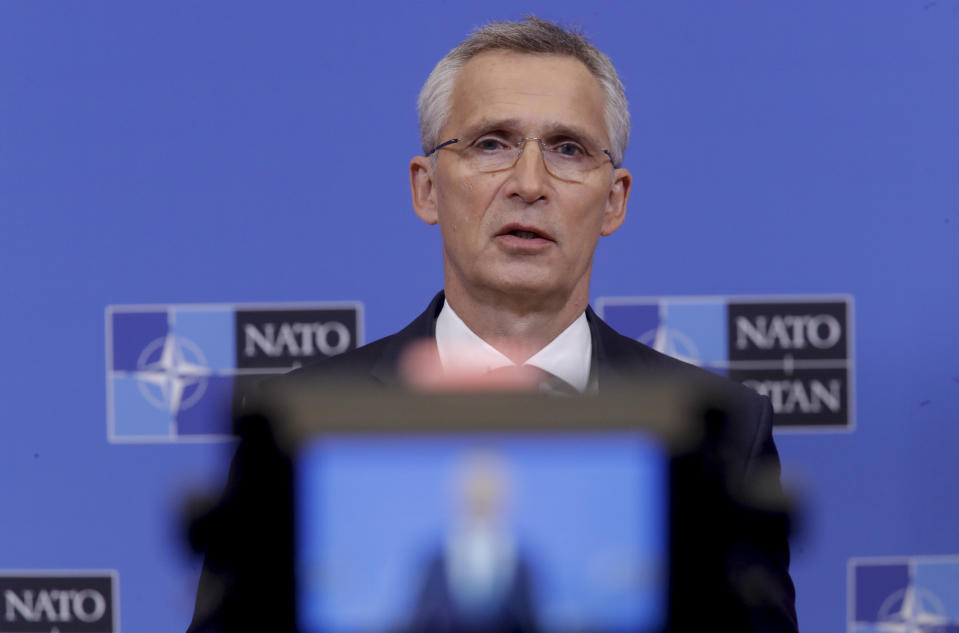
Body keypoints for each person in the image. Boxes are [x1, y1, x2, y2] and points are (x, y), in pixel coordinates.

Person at [188, 16, 798, 633]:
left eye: (568, 149)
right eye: (491, 144)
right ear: (426, 188)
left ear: (614, 199)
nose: (529, 184)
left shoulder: (720, 433)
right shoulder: (301, 426)